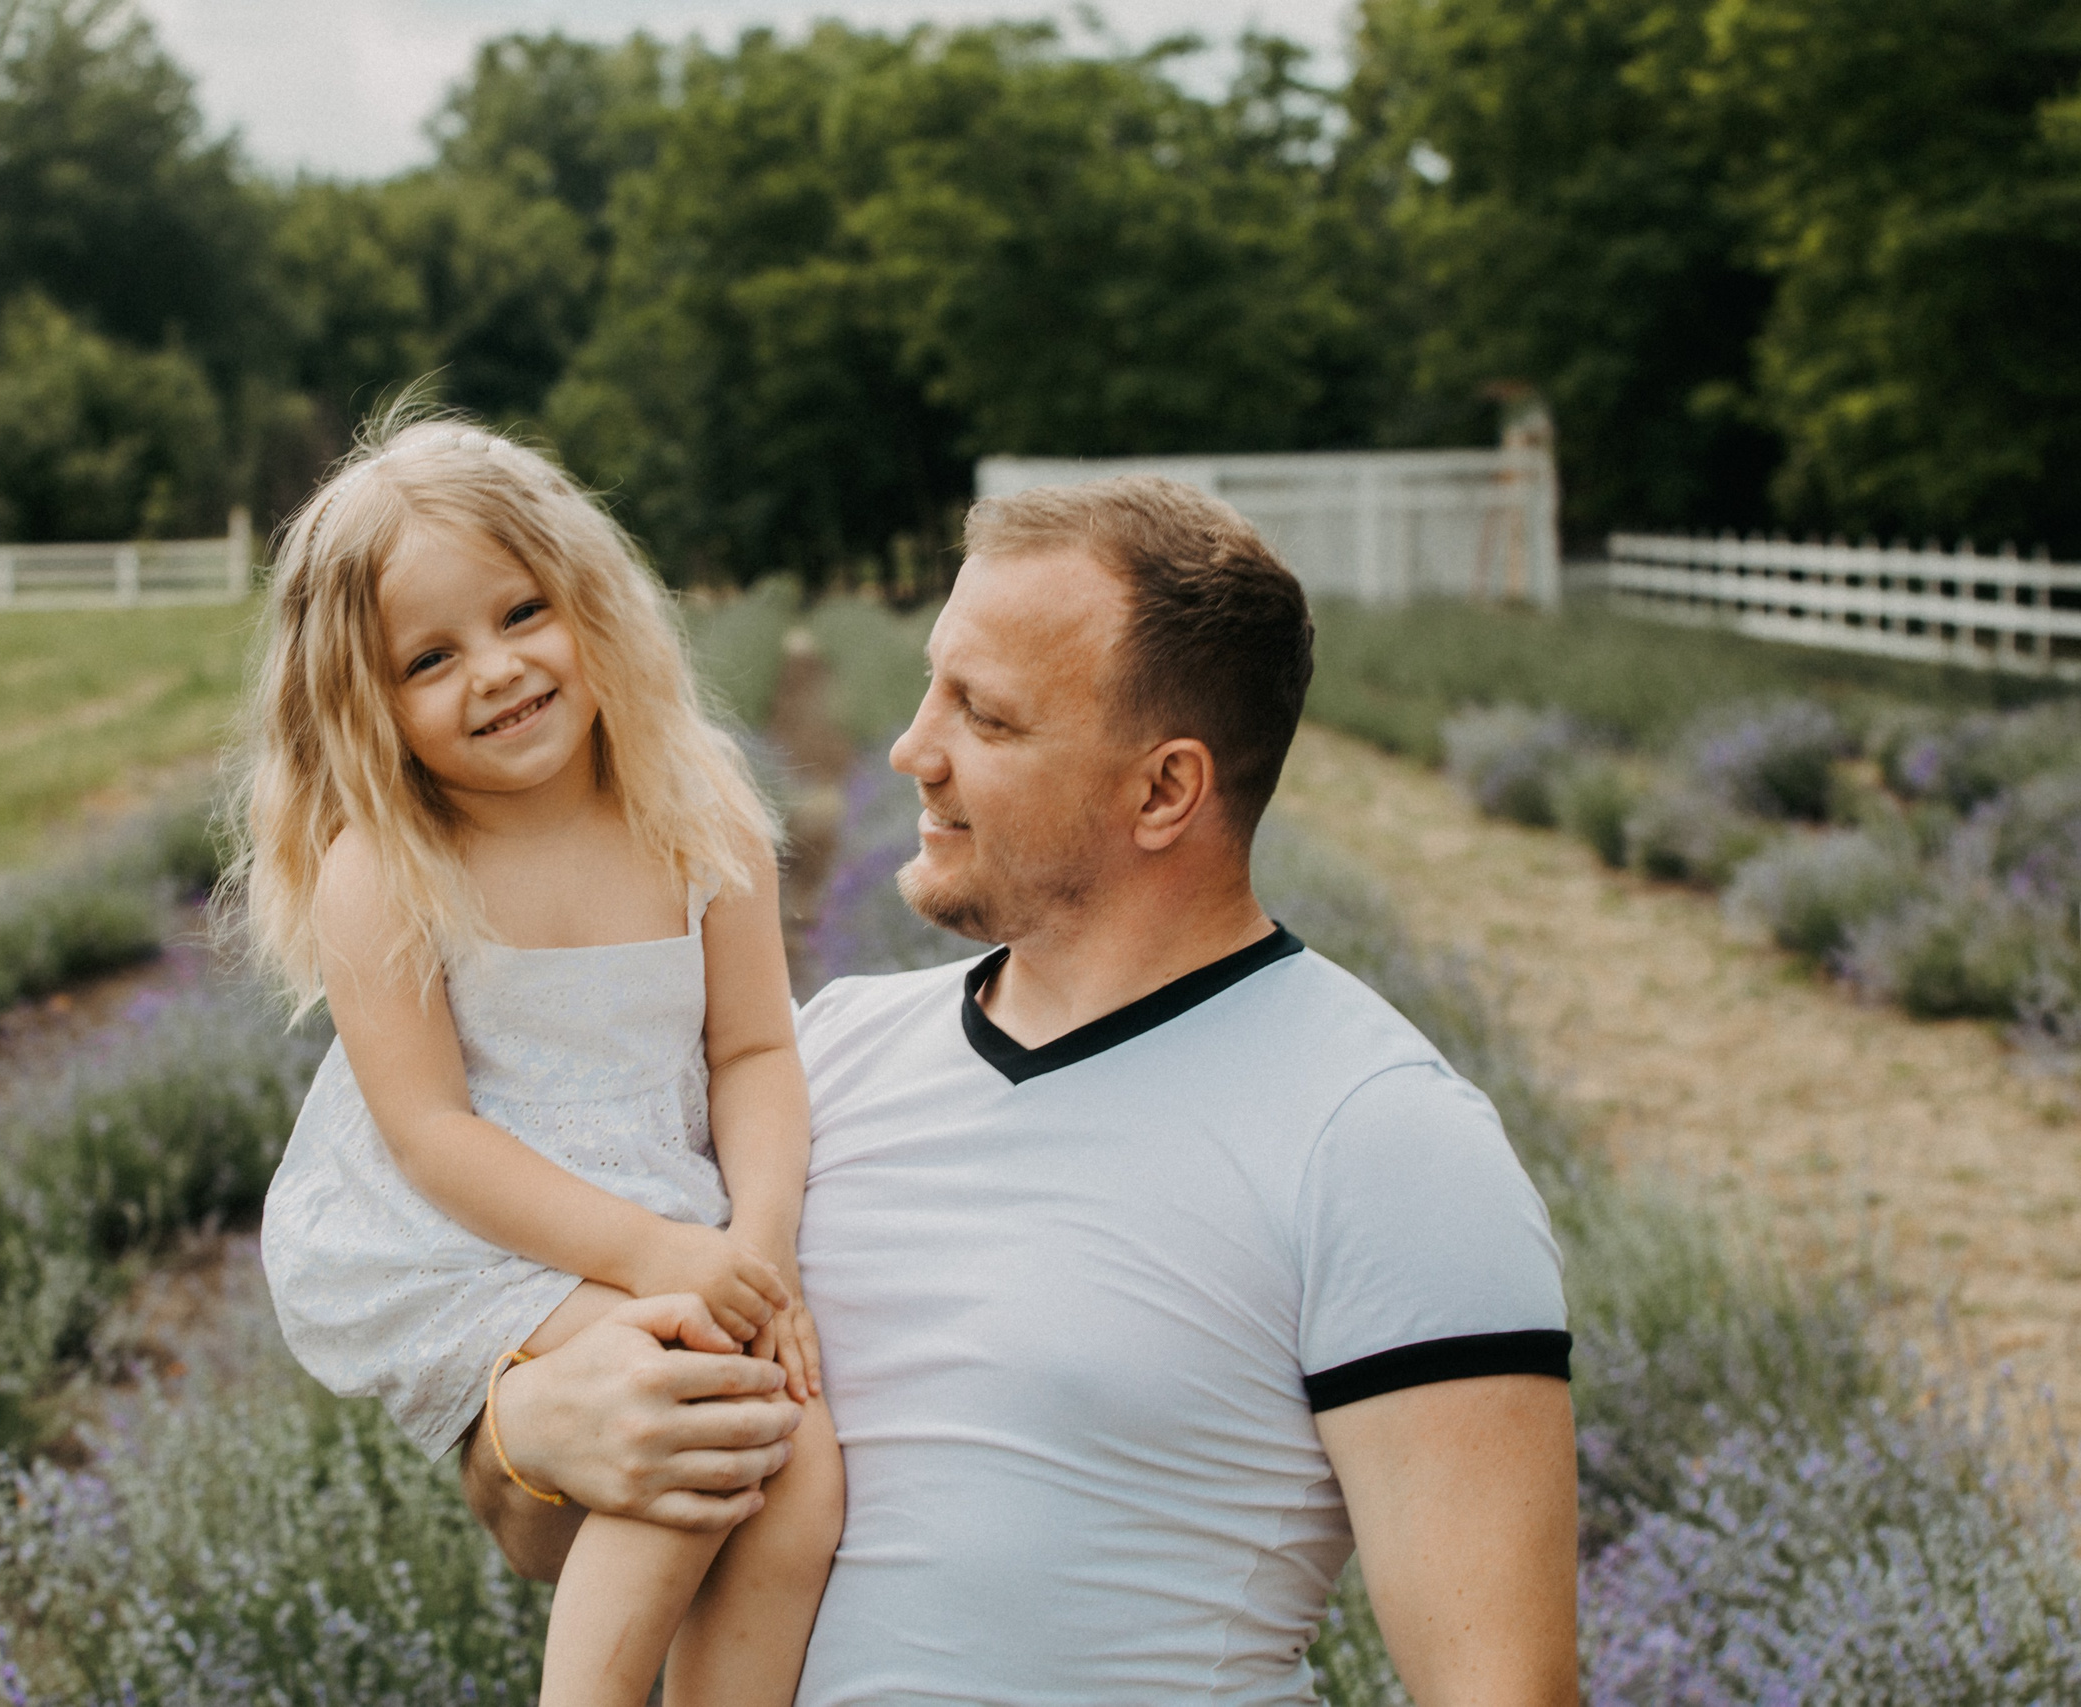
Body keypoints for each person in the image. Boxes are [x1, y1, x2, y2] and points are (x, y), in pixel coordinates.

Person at [471, 474, 1581, 1705]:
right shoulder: (809, 1067)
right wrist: (529, 1444)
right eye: (930, 687)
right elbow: (556, 1536)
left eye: (985, 720)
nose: (910, 750)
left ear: (1164, 791)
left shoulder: (1380, 1139)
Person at [236, 415, 844, 1707]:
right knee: (695, 1411)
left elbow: (750, 1048)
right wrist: (663, 1259)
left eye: (523, 612)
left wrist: (763, 1240)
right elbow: (433, 1137)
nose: (498, 669)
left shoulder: (697, 799)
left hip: (673, 1212)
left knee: (804, 1487)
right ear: (367, 705)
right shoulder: (388, 869)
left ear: (590, 596)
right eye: (430, 656)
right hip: (482, 1226)